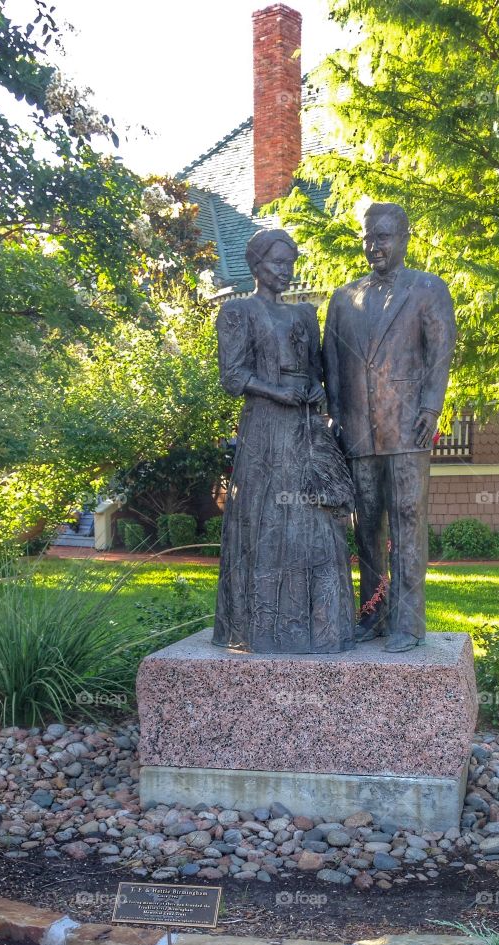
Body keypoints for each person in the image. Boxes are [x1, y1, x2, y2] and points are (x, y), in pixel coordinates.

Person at [211, 229, 355, 654]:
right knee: (269, 514)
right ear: (257, 265)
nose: (285, 271)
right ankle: (262, 629)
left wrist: (316, 391)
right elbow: (233, 376)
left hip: (305, 429)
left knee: (315, 516)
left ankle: (320, 628)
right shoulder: (238, 312)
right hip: (265, 429)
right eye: (277, 263)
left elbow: (319, 371)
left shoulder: (305, 316)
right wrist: (276, 392)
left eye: (290, 263)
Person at [322, 202, 457, 651]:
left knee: (408, 520)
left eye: (382, 237)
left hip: (407, 427)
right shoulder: (343, 299)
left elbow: (440, 353)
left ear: (403, 238)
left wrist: (432, 409)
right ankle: (373, 613)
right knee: (366, 527)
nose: (373, 246)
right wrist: (337, 419)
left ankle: (408, 621)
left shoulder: (428, 289)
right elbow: (333, 369)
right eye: (367, 237)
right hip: (359, 430)